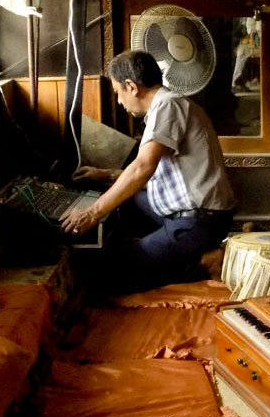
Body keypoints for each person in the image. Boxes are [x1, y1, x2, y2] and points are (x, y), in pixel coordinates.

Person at [60, 50, 235, 292]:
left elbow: (143, 167)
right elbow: (152, 174)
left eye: (117, 92)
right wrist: (106, 175)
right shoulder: (166, 105)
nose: (119, 101)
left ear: (131, 86)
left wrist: (93, 212)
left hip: (201, 220)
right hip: (193, 212)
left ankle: (205, 261)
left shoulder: (168, 105)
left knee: (121, 272)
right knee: (127, 199)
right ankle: (166, 249)